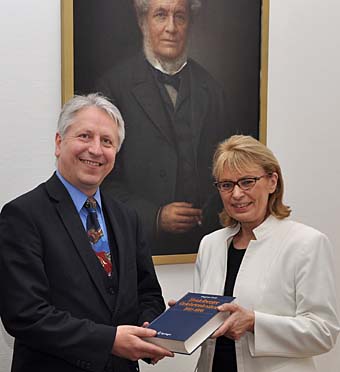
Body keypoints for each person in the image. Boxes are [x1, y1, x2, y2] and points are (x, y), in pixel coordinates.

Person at [0, 93, 173, 372]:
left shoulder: (127, 217)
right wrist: (110, 341)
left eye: (107, 141)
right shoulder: (23, 215)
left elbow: (148, 293)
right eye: (84, 136)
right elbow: (24, 314)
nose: (95, 149)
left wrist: (147, 328)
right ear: (59, 143)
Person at [96, 0, 234, 255]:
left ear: (189, 24)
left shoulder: (213, 90)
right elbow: (100, 178)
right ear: (142, 22)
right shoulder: (113, 87)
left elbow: (230, 170)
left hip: (203, 247)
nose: (171, 27)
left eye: (179, 17)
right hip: (140, 247)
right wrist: (156, 217)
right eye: (161, 15)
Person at [194, 135, 339, 372]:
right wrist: (188, 316)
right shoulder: (210, 244)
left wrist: (255, 323)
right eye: (227, 185)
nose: (237, 194)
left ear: (272, 181)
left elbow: (324, 333)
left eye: (247, 182)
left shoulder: (306, 243)